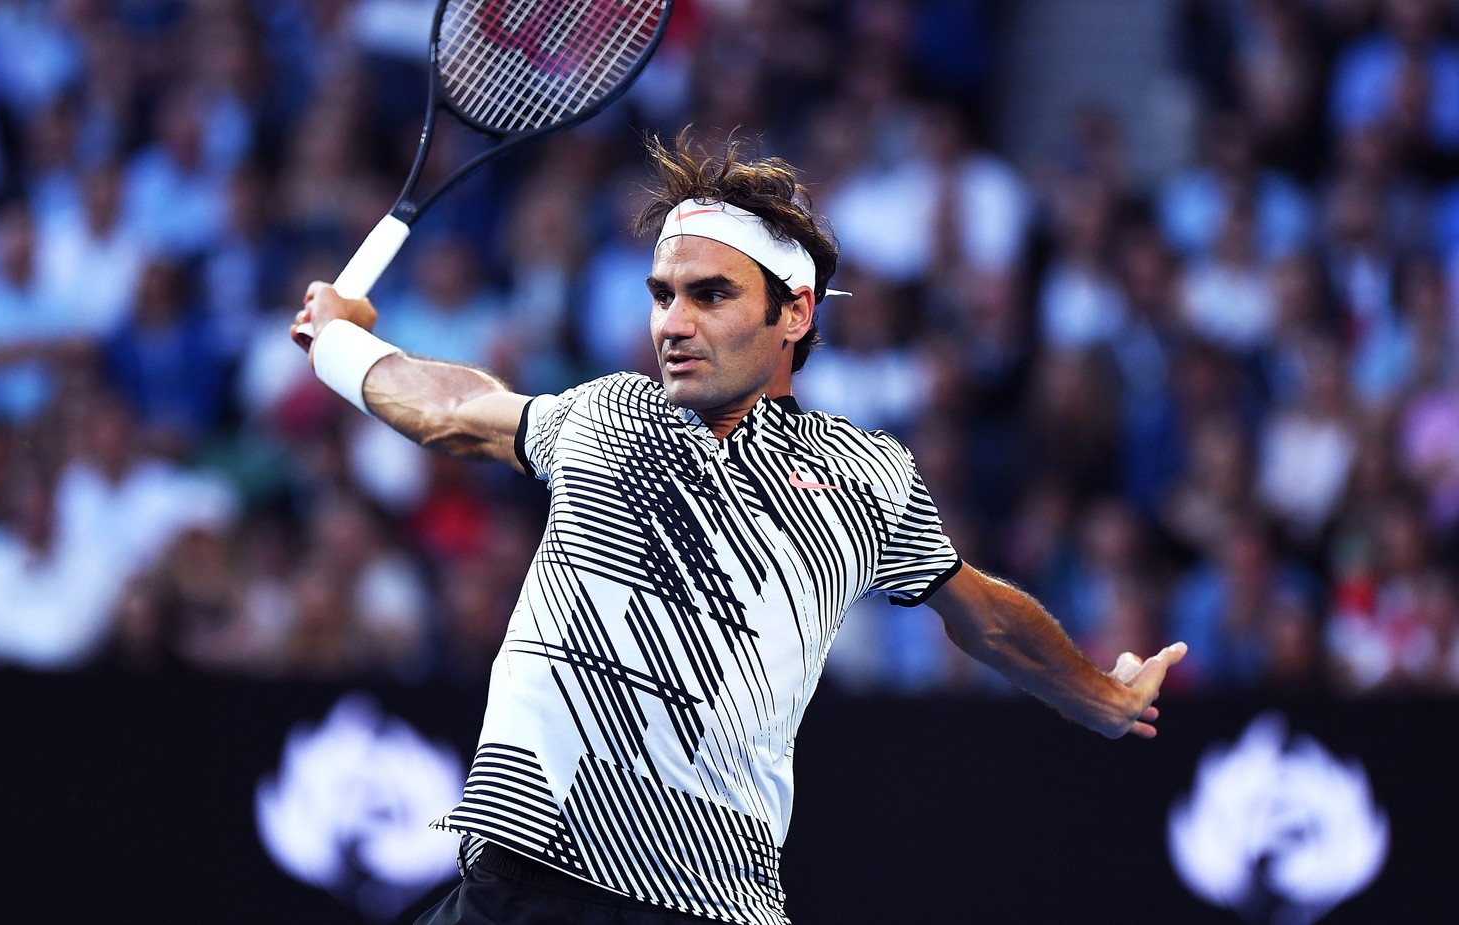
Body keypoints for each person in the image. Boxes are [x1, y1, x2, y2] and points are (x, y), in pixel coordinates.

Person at [289, 133, 1188, 925]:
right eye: (662, 294)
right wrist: (340, 345)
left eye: (710, 295)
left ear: (793, 312)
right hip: (520, 885)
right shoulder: (605, 416)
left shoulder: (868, 477)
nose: (673, 324)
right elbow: (456, 408)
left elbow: (981, 613)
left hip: (710, 901)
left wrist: (1100, 698)